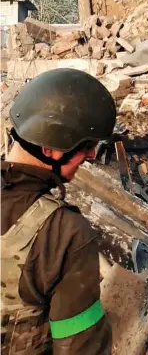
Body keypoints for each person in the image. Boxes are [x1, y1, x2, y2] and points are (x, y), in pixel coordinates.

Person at [1, 68, 117, 355]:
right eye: (86, 145)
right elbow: (80, 347)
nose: (91, 156)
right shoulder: (65, 234)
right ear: (50, 147)